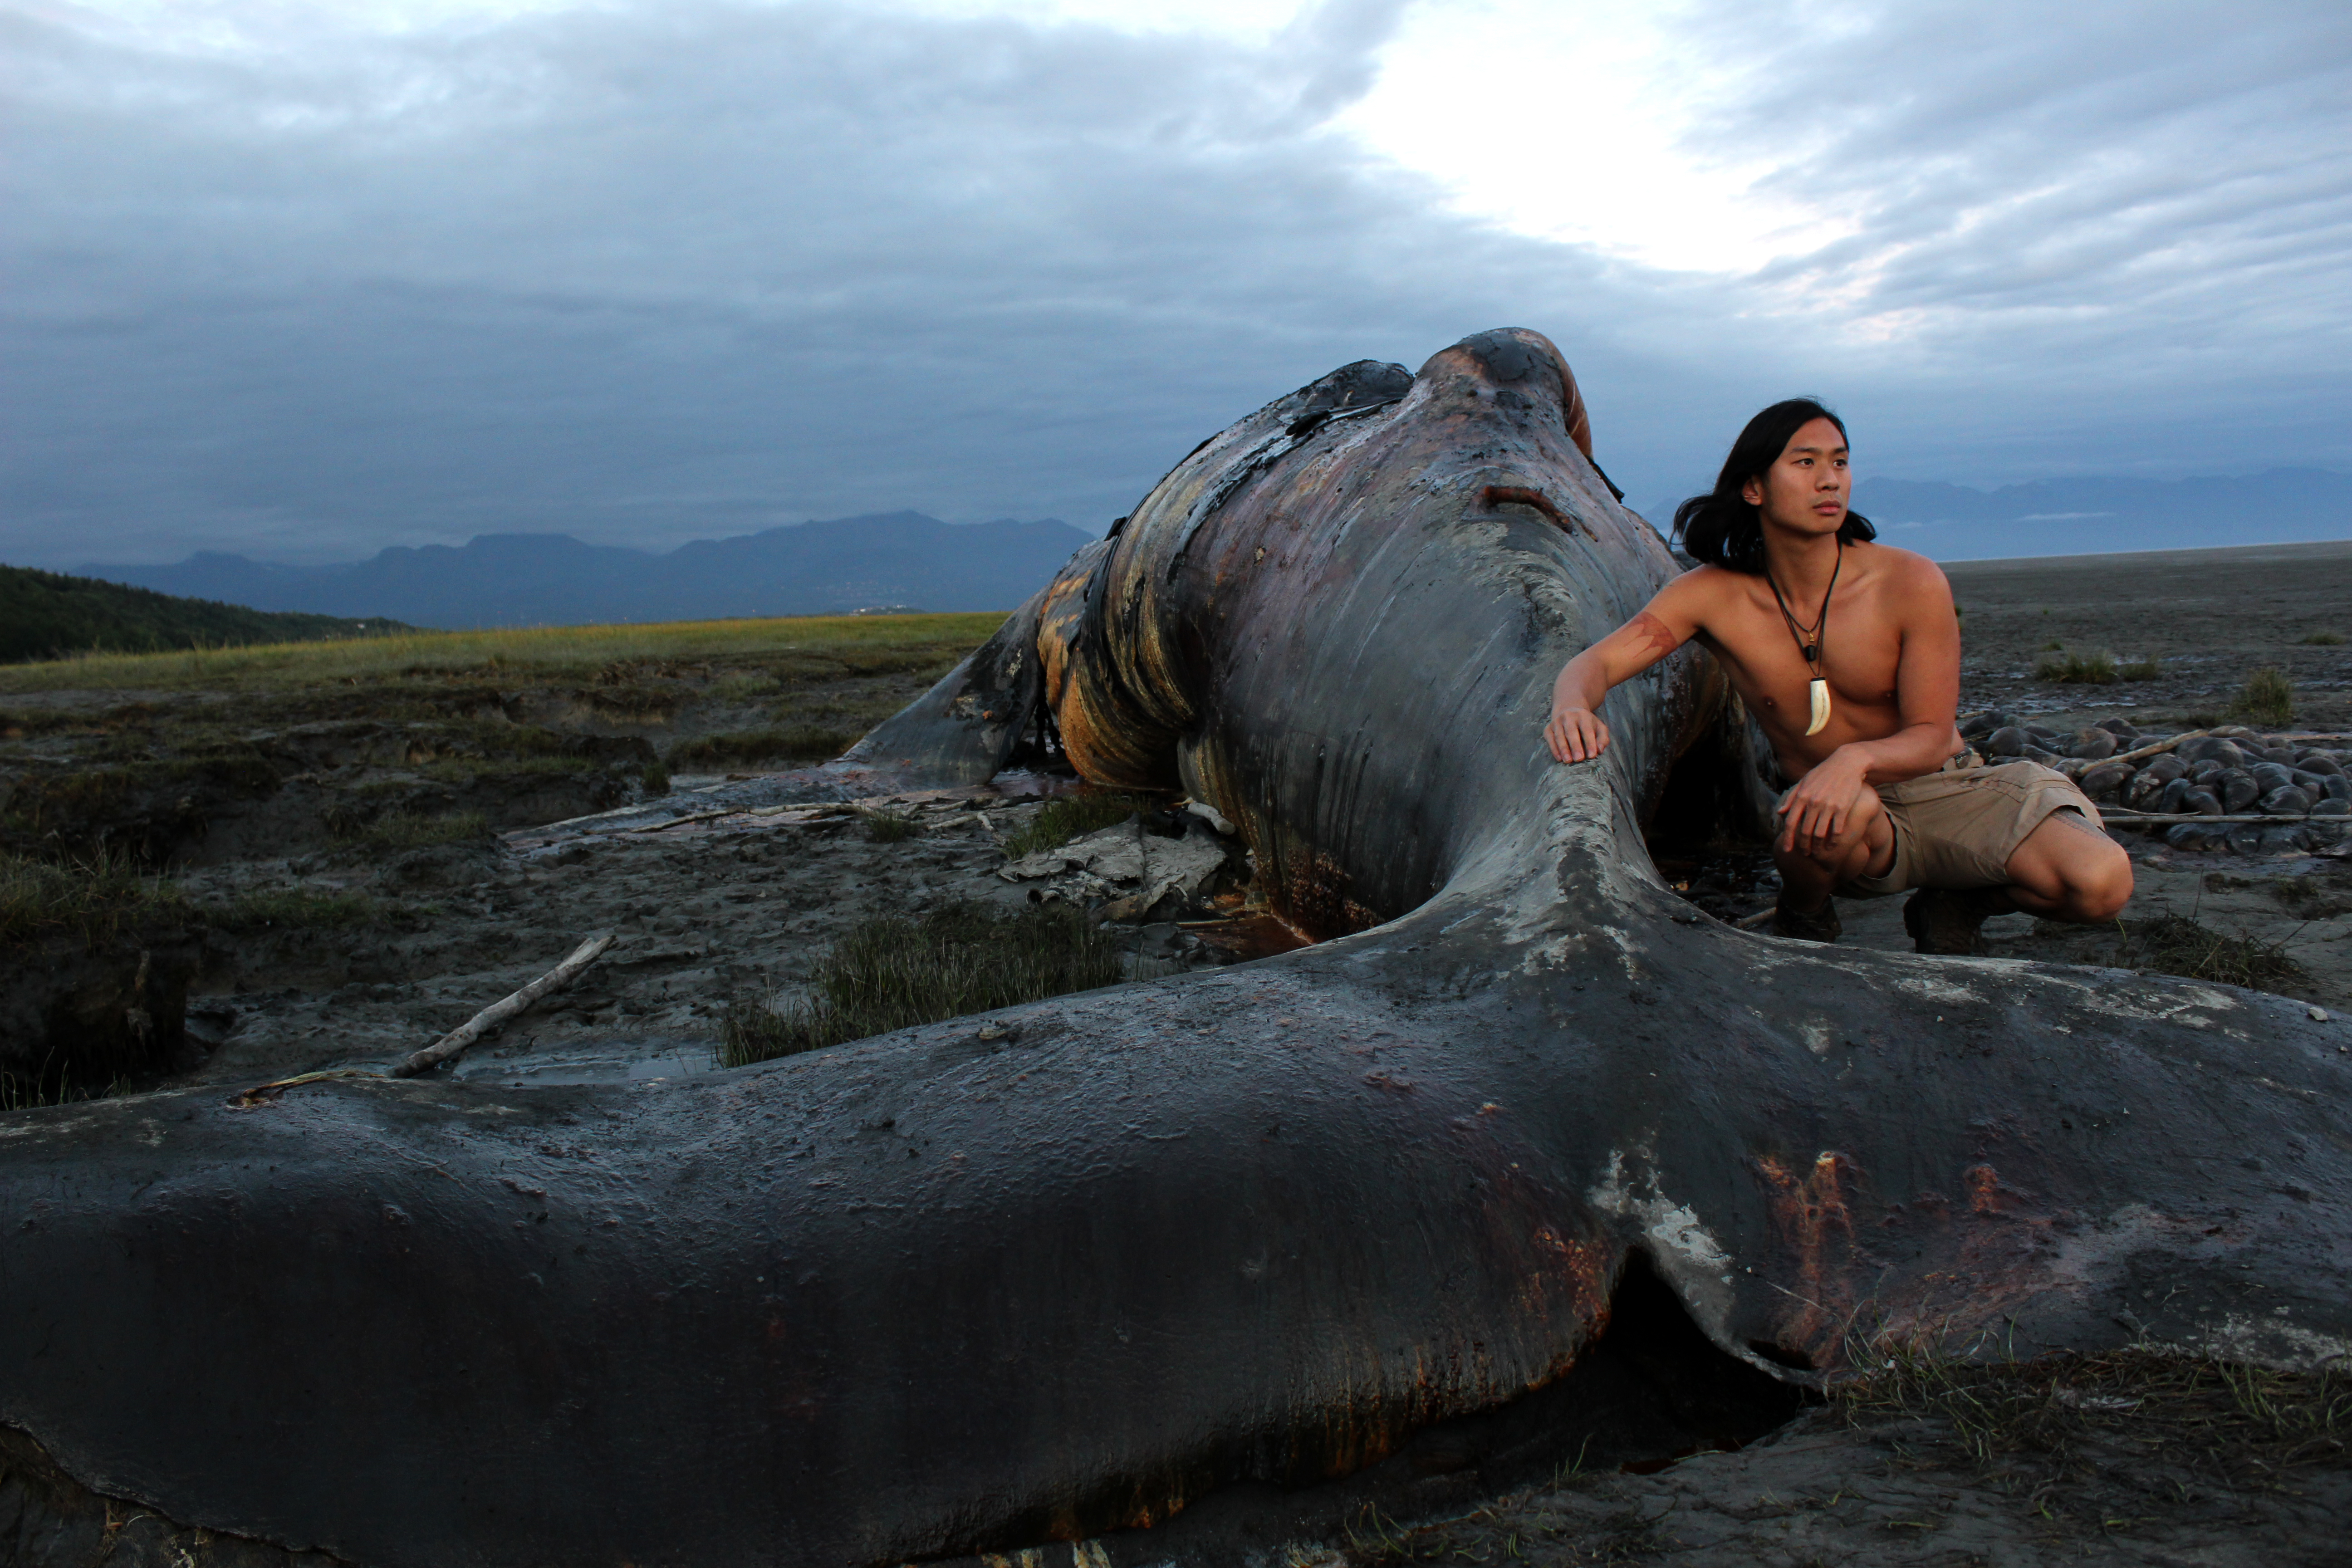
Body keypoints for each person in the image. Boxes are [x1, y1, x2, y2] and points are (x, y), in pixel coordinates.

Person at [1542, 398, 2132, 952]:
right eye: (1806, 463)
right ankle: (1804, 913)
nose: (1830, 480)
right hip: (1841, 826)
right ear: (1754, 488)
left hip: (1952, 791)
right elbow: (1596, 663)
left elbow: (1930, 734)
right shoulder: (1712, 597)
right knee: (1836, 812)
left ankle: (1958, 905)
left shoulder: (1909, 582)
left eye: (1841, 463)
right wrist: (1572, 705)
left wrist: (1854, 761)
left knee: (2103, 882)